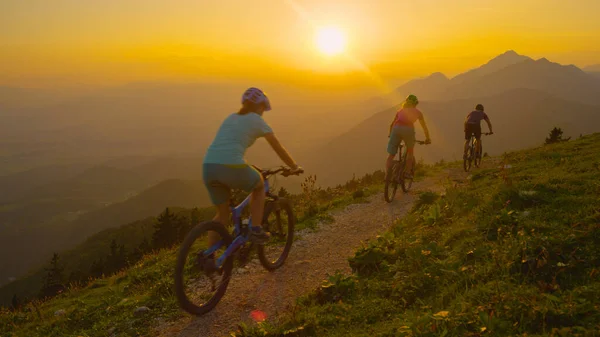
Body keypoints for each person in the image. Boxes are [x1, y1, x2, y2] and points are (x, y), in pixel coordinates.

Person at [203, 87, 302, 244]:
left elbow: (227, 147)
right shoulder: (257, 120)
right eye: (263, 108)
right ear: (260, 106)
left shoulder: (231, 117)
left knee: (222, 215)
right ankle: (255, 229)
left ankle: (209, 257)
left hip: (209, 167)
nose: (263, 112)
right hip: (231, 166)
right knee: (259, 185)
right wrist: (294, 166)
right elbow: (277, 147)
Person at [387, 94, 431, 180]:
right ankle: (407, 173)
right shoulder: (418, 113)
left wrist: (390, 134)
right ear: (415, 103)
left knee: (391, 155)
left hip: (396, 129)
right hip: (408, 130)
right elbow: (424, 127)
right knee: (410, 152)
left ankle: (387, 175)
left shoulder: (400, 111)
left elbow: (392, 124)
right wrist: (427, 138)